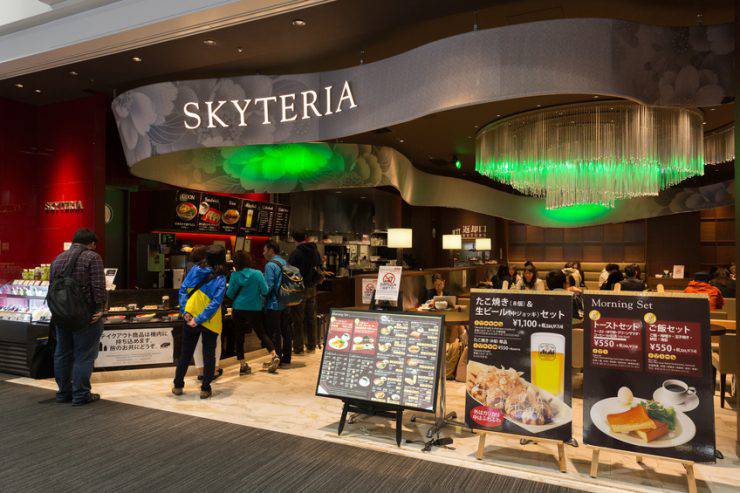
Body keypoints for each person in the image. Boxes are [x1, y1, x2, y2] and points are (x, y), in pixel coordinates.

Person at [50, 228, 106, 406]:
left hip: (61, 315)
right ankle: (81, 395)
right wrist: (101, 308)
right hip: (86, 316)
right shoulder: (92, 256)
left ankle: (63, 393)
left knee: (62, 354)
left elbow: (52, 289)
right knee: (84, 355)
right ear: (92, 243)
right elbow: (98, 286)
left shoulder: (58, 258)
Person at [173, 245, 227, 399]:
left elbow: (183, 290)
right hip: (209, 321)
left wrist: (186, 312)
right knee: (209, 355)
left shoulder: (195, 270)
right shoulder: (220, 277)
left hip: (190, 317)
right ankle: (205, 388)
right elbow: (216, 302)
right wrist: (200, 319)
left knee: (185, 353)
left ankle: (178, 385)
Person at [227, 251, 280, 374]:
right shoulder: (257, 274)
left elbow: (229, 294)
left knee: (239, 336)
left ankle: (243, 365)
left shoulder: (235, 275)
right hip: (255, 308)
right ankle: (274, 355)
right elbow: (265, 291)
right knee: (261, 333)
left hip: (238, 308)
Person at [288, 232, 324, 354]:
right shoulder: (315, 251)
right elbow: (320, 267)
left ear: (294, 240)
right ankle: (311, 346)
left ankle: (298, 347)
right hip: (312, 287)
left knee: (298, 319)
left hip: (299, 289)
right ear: (306, 238)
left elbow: (290, 272)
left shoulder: (296, 253)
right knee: (311, 317)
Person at [264, 240, 292, 368]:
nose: (263, 253)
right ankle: (286, 358)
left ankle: (277, 358)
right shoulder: (284, 262)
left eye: (264, 250)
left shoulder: (270, 265)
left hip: (274, 303)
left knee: (275, 332)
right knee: (286, 330)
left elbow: (268, 287)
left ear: (271, 250)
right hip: (285, 302)